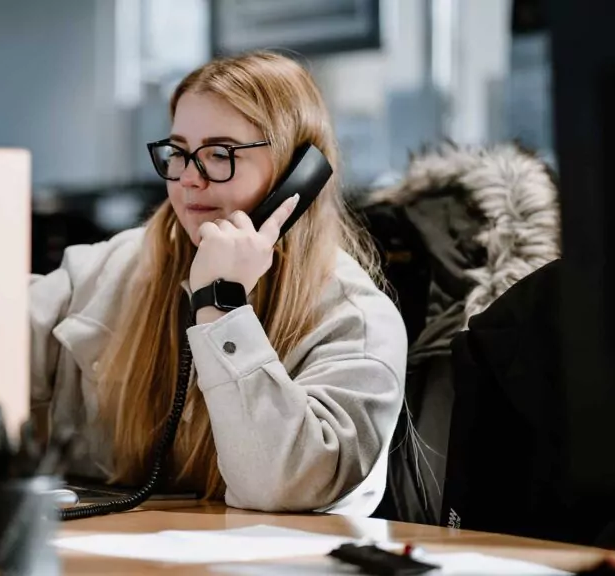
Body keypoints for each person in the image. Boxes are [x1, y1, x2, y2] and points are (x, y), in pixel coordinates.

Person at [30, 51, 407, 515]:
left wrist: (221, 307)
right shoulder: (110, 269)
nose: (189, 178)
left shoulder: (355, 321)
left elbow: (281, 486)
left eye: (219, 154)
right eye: (180, 152)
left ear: (298, 173)